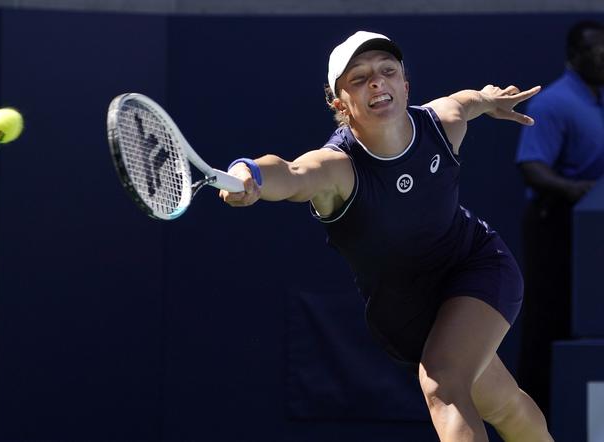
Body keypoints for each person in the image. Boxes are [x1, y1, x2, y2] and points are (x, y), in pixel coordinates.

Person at [221, 31, 552, 441]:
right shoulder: (337, 168)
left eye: (387, 71)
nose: (376, 82)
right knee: (502, 402)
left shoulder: (441, 124)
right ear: (340, 104)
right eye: (358, 78)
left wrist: (489, 99)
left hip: (476, 267)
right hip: (405, 314)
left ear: (404, 86)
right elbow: (288, 172)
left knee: (444, 383)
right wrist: (248, 174)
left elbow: (467, 102)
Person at [515, 20, 604, 421]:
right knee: (547, 320)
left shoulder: (596, 99)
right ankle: (534, 418)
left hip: (592, 230)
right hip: (557, 226)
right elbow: (532, 166)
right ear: (574, 56)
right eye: (598, 51)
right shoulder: (552, 102)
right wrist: (576, 190)